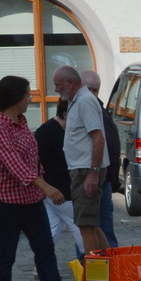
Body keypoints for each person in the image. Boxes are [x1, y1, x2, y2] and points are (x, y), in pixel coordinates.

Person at [0, 75, 86, 281]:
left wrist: (40, 182)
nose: (31, 98)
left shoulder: (21, 122)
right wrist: (46, 187)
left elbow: (32, 158)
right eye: (28, 94)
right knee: (5, 255)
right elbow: (14, 163)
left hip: (29, 198)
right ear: (16, 97)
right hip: (4, 199)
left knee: (45, 250)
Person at [52, 66, 108, 255]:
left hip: (86, 170)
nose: (56, 89)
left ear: (70, 82)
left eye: (57, 84)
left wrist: (93, 172)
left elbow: (98, 137)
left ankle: (95, 275)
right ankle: (109, 268)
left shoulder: (84, 101)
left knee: (85, 225)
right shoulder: (76, 101)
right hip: (82, 169)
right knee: (89, 224)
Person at [35, 100, 84, 259]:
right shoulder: (47, 131)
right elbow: (36, 160)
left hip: (62, 186)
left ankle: (40, 263)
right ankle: (90, 261)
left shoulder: (66, 130)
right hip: (58, 188)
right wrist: (43, 187)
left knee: (54, 227)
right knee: (78, 225)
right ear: (65, 114)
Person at [80, 70, 119, 249]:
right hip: (90, 177)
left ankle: (111, 264)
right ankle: (88, 263)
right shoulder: (80, 108)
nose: (92, 94)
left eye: (95, 90)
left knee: (104, 227)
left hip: (104, 179)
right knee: (88, 228)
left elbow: (110, 143)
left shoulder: (100, 108)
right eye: (89, 90)